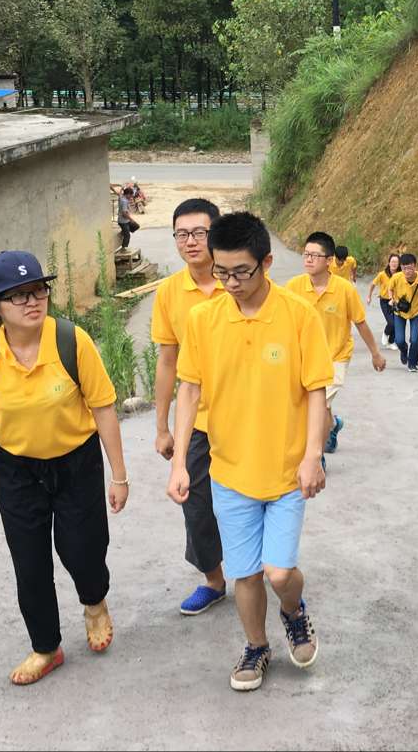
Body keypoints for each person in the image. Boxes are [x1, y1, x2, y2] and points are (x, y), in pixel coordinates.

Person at [0, 250, 128, 686]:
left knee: (82, 549)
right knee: (29, 561)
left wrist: (118, 475)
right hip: (17, 470)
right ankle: (46, 647)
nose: (33, 301)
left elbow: (103, 408)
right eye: (19, 295)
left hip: (76, 461)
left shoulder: (71, 341)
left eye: (39, 290)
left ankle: (94, 602)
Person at [166, 211, 334, 692]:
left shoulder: (298, 315)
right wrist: (179, 462)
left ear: (267, 262)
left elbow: (316, 390)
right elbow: (189, 390)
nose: (232, 282)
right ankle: (257, 646)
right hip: (229, 471)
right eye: (221, 272)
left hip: (285, 473)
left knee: (278, 573)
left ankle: (293, 611)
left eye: (242, 271)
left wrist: (312, 455)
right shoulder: (203, 319)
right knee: (244, 574)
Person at [151, 198, 229, 616]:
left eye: (200, 232)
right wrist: (162, 427)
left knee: (255, 497)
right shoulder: (169, 292)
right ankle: (214, 580)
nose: (191, 241)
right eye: (182, 234)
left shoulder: (240, 280)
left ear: (215, 233)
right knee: (195, 503)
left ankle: (271, 573)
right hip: (197, 419)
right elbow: (168, 361)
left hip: (245, 415)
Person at [285, 231, 387, 456]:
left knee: (319, 406)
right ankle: (333, 425)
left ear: (329, 260)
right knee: (320, 406)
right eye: (306, 254)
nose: (308, 259)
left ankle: (316, 457)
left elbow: (360, 323)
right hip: (305, 358)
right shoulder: (293, 287)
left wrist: (375, 353)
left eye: (314, 255)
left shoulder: (345, 289)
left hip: (336, 357)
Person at [386, 253, 418, 372]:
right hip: (400, 312)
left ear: (415, 266)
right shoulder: (397, 277)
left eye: (410, 268)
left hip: (416, 312)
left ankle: (413, 363)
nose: (407, 271)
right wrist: (391, 299)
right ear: (401, 267)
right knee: (399, 340)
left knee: (414, 339)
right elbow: (390, 288)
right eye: (404, 268)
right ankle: (404, 350)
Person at [367, 252, 402, 348]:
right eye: (392, 261)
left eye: (396, 262)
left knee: (397, 323)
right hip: (385, 301)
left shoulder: (400, 275)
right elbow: (373, 284)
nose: (394, 264)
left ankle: (391, 342)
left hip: (396, 301)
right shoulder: (382, 274)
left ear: (399, 264)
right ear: (389, 263)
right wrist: (369, 296)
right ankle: (386, 333)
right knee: (391, 322)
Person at [115, 186, 138, 251]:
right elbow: (124, 214)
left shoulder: (121, 197)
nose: (131, 197)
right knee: (127, 235)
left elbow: (119, 194)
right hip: (123, 222)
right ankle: (124, 248)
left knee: (136, 226)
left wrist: (122, 189)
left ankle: (123, 232)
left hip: (124, 220)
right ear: (127, 194)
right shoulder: (124, 201)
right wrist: (131, 219)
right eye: (130, 195)